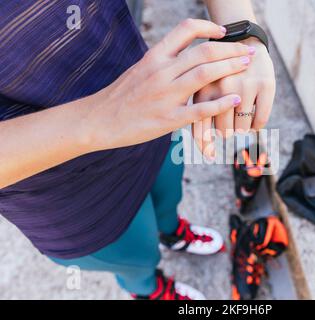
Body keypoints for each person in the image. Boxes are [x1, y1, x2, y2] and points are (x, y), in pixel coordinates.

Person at [0, 0, 275, 300]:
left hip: (149, 101)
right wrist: (102, 116)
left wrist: (240, 31)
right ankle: (149, 291)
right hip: (57, 187)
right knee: (137, 258)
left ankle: (171, 231)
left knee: (168, 193)